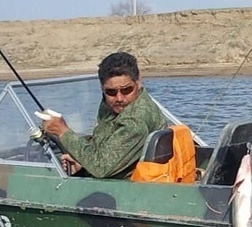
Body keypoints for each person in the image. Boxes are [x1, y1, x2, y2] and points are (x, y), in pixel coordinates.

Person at [41, 51, 166, 179]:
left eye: (126, 90)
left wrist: (63, 132)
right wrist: (82, 160)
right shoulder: (116, 106)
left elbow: (100, 168)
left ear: (138, 82)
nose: (119, 98)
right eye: (111, 92)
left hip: (125, 187)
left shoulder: (135, 122)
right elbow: (104, 141)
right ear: (102, 88)